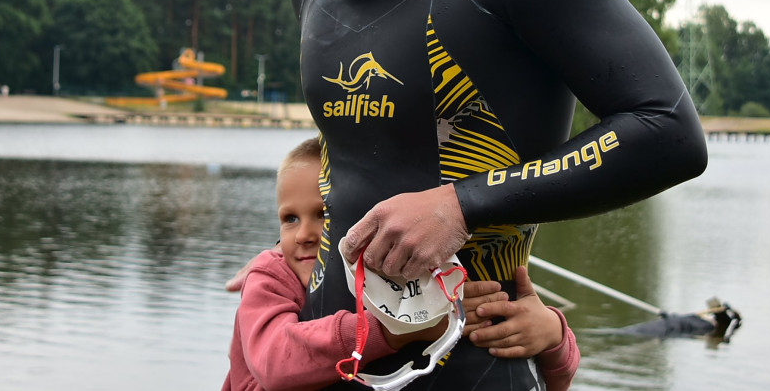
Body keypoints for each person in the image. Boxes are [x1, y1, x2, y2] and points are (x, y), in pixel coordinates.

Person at [172, 0, 707, 389]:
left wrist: (460, 206)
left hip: (475, 366)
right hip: (333, 364)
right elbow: (361, 169)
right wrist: (285, 263)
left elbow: (667, 131)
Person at [224, 138, 579, 391]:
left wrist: (553, 335)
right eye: (289, 218)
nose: (304, 234)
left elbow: (547, 380)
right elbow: (274, 363)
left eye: (325, 215)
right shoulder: (270, 276)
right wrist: (393, 331)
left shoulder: (408, 274)